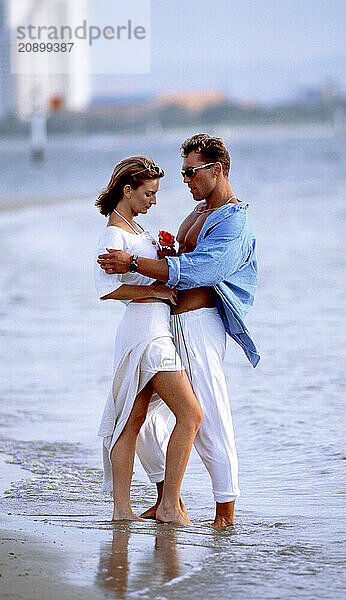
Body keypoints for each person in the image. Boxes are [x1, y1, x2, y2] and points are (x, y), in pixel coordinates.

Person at [98, 134, 259, 527]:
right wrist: (167, 252)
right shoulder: (199, 211)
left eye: (190, 172)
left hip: (199, 327)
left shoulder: (234, 221)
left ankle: (225, 514)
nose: (184, 180)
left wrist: (135, 261)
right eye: (184, 172)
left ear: (216, 170)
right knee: (142, 416)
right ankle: (165, 498)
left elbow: (201, 271)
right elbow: (179, 263)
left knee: (210, 417)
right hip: (165, 327)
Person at [94, 155, 203, 525]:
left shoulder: (135, 229)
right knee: (190, 413)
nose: (153, 201)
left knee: (133, 418)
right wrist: (156, 293)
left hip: (153, 327)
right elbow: (107, 290)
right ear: (129, 191)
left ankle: (124, 511)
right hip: (144, 332)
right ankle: (169, 505)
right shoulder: (114, 233)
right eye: (149, 193)